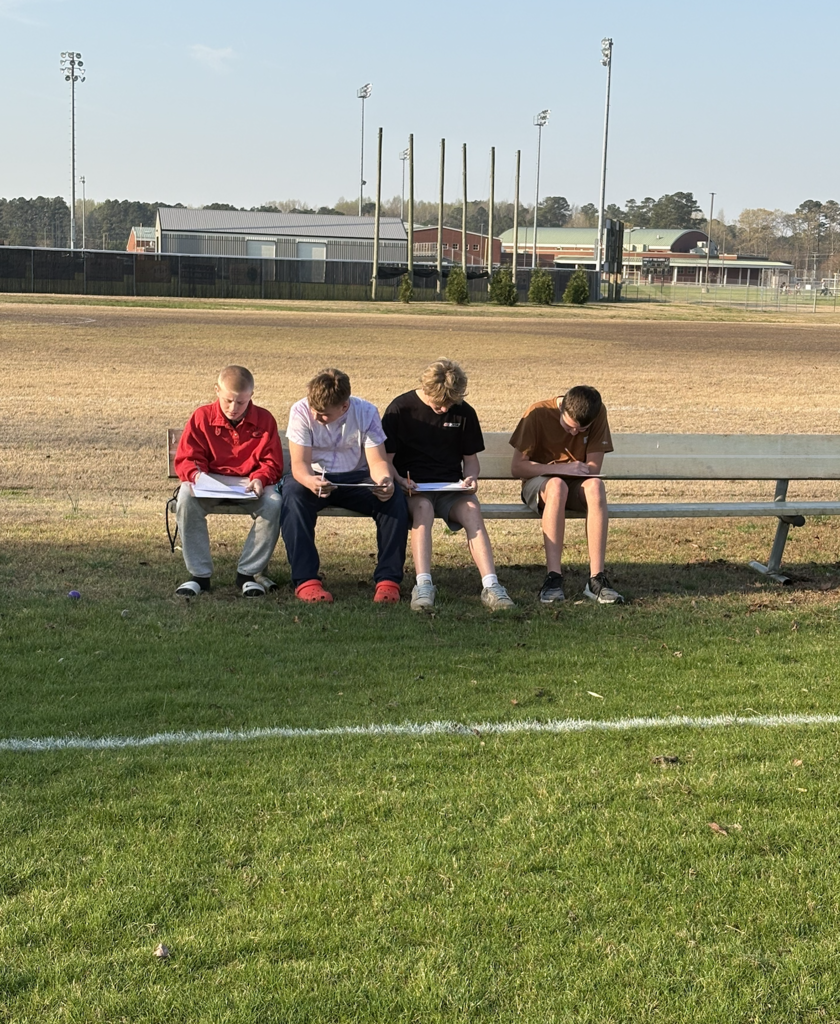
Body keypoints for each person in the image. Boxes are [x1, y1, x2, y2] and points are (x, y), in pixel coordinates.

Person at [382, 359, 514, 612]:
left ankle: (492, 586)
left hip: (450, 489)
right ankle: (423, 584)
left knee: (472, 510)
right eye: (438, 404)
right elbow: (385, 461)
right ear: (426, 390)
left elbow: (471, 461)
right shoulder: (400, 409)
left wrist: (471, 479)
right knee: (423, 509)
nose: (443, 409)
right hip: (413, 488)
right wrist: (400, 480)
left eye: (449, 404)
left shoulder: (464, 412)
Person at [280, 368, 408, 603]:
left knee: (393, 498)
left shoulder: (366, 412)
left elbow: (377, 462)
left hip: (357, 478)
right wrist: (311, 481)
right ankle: (306, 581)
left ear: (345, 407)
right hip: (314, 476)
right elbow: (299, 465)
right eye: (314, 411)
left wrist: (384, 482)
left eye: (324, 414)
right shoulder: (300, 411)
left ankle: (388, 581)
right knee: (293, 496)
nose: (317, 417)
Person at [174, 365, 284, 597]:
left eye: (241, 402)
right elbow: (187, 458)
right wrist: (196, 477)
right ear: (217, 391)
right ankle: (199, 575)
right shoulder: (202, 417)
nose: (234, 408)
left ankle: (248, 574)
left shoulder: (264, 420)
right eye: (228, 401)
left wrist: (261, 479)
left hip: (249, 484)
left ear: (251, 396)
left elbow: (271, 462)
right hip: (209, 483)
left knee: (273, 502)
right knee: (185, 498)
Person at [510, 385, 624, 605]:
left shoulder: (598, 412)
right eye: (569, 427)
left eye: (581, 431)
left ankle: (596, 579)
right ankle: (554, 578)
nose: (574, 433)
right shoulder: (538, 413)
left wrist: (573, 470)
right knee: (557, 487)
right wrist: (561, 469)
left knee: (596, 487)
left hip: (576, 483)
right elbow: (517, 468)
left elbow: (592, 468)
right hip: (540, 483)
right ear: (561, 408)